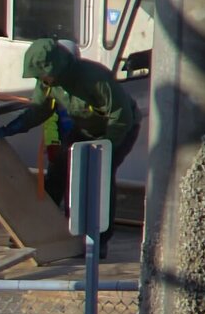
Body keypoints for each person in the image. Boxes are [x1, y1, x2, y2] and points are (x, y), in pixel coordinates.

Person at [17, 36, 139, 206]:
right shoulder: (47, 83)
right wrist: (14, 127)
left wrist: (105, 147)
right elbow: (38, 110)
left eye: (44, 76)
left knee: (100, 173)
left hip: (120, 128)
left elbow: (121, 116)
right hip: (85, 129)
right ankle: (46, 217)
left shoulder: (95, 77)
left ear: (56, 68)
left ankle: (100, 230)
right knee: (60, 164)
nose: (42, 81)